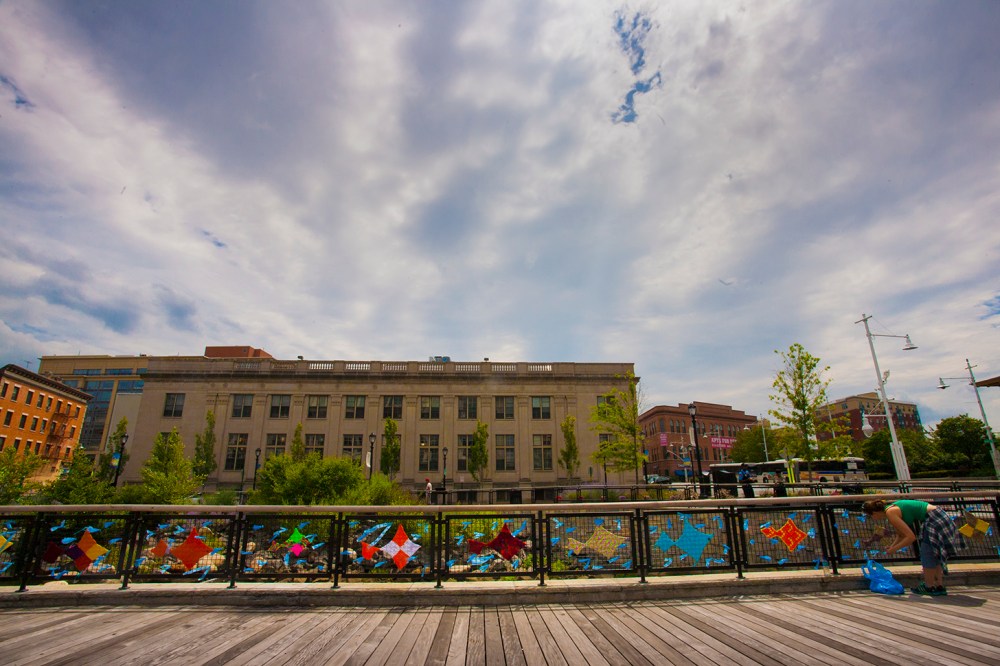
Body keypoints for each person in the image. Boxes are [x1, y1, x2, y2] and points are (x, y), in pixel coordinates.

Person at [862, 498, 962, 596]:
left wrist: (894, 549)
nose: (873, 519)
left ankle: (929, 586)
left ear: (874, 513)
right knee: (934, 553)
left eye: (870, 516)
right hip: (939, 517)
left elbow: (911, 537)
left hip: (933, 520)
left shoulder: (890, 513)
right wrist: (892, 546)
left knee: (927, 554)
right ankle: (939, 585)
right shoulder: (892, 508)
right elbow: (900, 534)